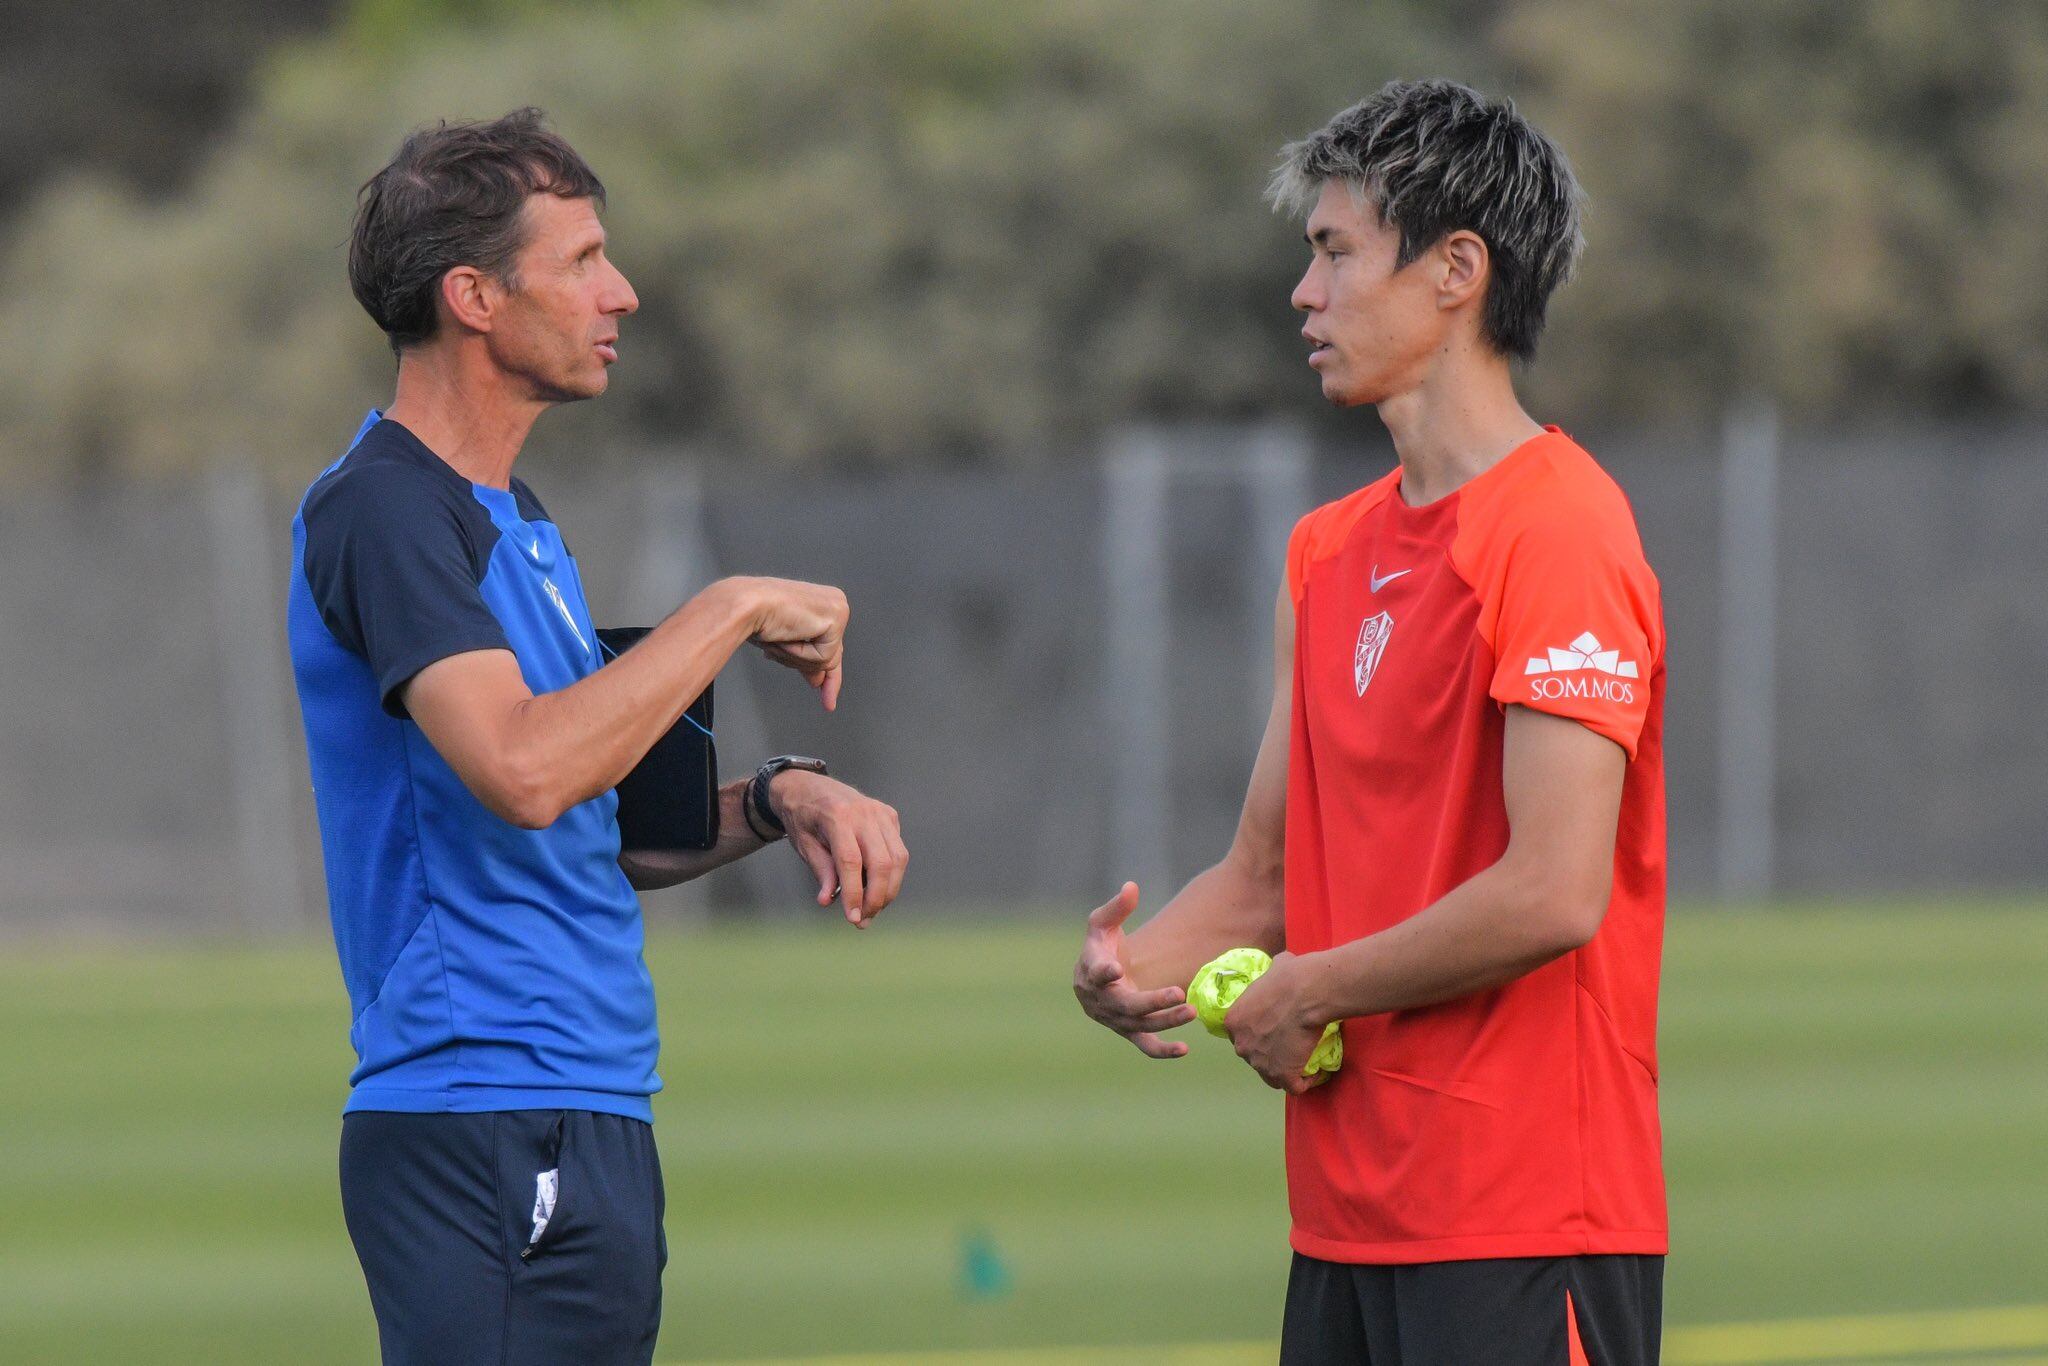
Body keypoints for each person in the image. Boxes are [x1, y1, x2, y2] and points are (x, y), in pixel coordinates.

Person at [286, 108, 908, 1365]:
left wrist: (777, 797)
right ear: (473, 297)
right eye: (579, 261)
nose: (618, 291)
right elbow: (523, 769)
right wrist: (728, 608)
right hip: (482, 1112)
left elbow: (596, 829)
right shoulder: (385, 509)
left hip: (584, 1108)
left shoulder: (514, 518)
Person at [1072, 79, 1666, 1364]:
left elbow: (1553, 890)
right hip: (1345, 1226)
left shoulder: (1559, 531)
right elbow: (1264, 874)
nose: (1304, 293)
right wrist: (1132, 973)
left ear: (1455, 270)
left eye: (1335, 252)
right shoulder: (1325, 551)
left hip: (1523, 1220)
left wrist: (1312, 987)